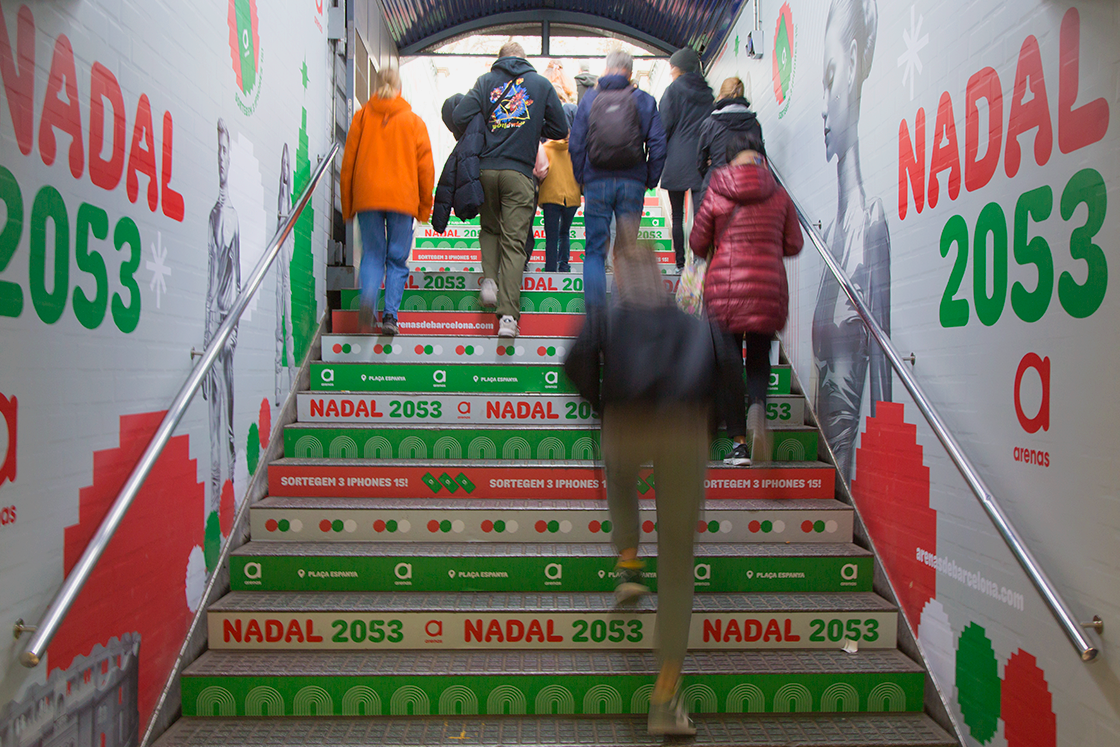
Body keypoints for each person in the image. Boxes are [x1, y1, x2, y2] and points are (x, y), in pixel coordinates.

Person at [564, 246, 714, 737]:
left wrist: (606, 404)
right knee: (676, 563)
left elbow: (575, 363)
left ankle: (628, 561)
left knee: (619, 471)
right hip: (683, 430)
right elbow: (726, 371)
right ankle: (666, 696)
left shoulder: (605, 317)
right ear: (663, 279)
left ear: (620, 279)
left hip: (626, 421)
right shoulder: (692, 323)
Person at [690, 131, 803, 466]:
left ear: (728, 159)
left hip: (725, 289)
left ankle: (739, 442)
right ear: (760, 156)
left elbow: (698, 242)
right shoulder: (779, 194)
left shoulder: (718, 188)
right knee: (758, 358)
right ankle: (757, 407)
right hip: (767, 289)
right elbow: (794, 244)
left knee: (728, 366)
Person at [813, 0, 891, 480]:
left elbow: (883, 389)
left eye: (830, 76)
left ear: (858, 61)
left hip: (841, 475)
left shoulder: (870, 227)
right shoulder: (829, 235)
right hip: (826, 465)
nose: (823, 106)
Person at [453, 42, 568, 337]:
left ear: (500, 59)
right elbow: (560, 128)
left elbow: (459, 116)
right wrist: (532, 129)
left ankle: (489, 281)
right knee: (514, 242)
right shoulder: (541, 85)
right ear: (524, 59)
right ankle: (507, 318)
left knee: (490, 228)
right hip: (519, 173)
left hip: (486, 170)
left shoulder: (485, 81)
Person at [340, 68, 434, 336]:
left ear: (376, 87)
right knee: (396, 259)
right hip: (402, 199)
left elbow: (348, 165)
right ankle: (390, 316)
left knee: (372, 254)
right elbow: (426, 170)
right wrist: (423, 209)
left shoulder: (361, 118)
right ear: (400, 89)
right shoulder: (414, 122)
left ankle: (368, 298)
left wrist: (348, 206)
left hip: (367, 196)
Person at [569, 49, 667, 308]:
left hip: (596, 182)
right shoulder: (644, 100)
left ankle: (595, 319)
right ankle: (623, 313)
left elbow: (576, 144)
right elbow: (658, 145)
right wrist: (649, 179)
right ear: (630, 73)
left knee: (594, 252)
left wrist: (582, 178)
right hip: (632, 181)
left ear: (606, 69)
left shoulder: (589, 99)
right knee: (627, 251)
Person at [204, 119, 239, 526]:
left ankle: (225, 497)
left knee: (225, 420)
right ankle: (220, 504)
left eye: (226, 151)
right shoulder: (215, 214)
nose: (222, 159)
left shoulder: (227, 215)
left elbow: (239, 274)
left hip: (227, 327)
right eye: (219, 151)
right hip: (216, 328)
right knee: (218, 422)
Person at [659, 47, 714, 269]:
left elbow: (663, 126)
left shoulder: (672, 91)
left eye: (672, 68)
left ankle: (680, 262)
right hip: (701, 159)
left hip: (676, 159)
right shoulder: (708, 93)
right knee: (700, 214)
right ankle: (699, 259)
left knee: (677, 215)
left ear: (679, 67)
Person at [696, 77, 764, 212]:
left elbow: (700, 161)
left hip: (716, 185)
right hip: (748, 186)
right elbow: (761, 158)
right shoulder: (754, 124)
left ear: (721, 95)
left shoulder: (710, 124)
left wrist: (711, 168)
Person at [431, 92, 485, 234]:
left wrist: (439, 222)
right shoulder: (486, 122)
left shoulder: (463, 145)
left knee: (490, 232)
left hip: (485, 192)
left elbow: (446, 182)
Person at [538, 106, 580, 272]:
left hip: (550, 196)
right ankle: (564, 265)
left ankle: (550, 270)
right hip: (572, 196)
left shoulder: (546, 148)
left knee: (551, 237)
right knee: (565, 232)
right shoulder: (577, 150)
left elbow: (540, 171)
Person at [274, 143, 294, 405]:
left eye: (290, 166)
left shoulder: (290, 203)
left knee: (288, 327)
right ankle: (283, 389)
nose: (287, 171)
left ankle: (290, 381)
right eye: (285, 166)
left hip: (286, 276)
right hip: (278, 276)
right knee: (280, 330)